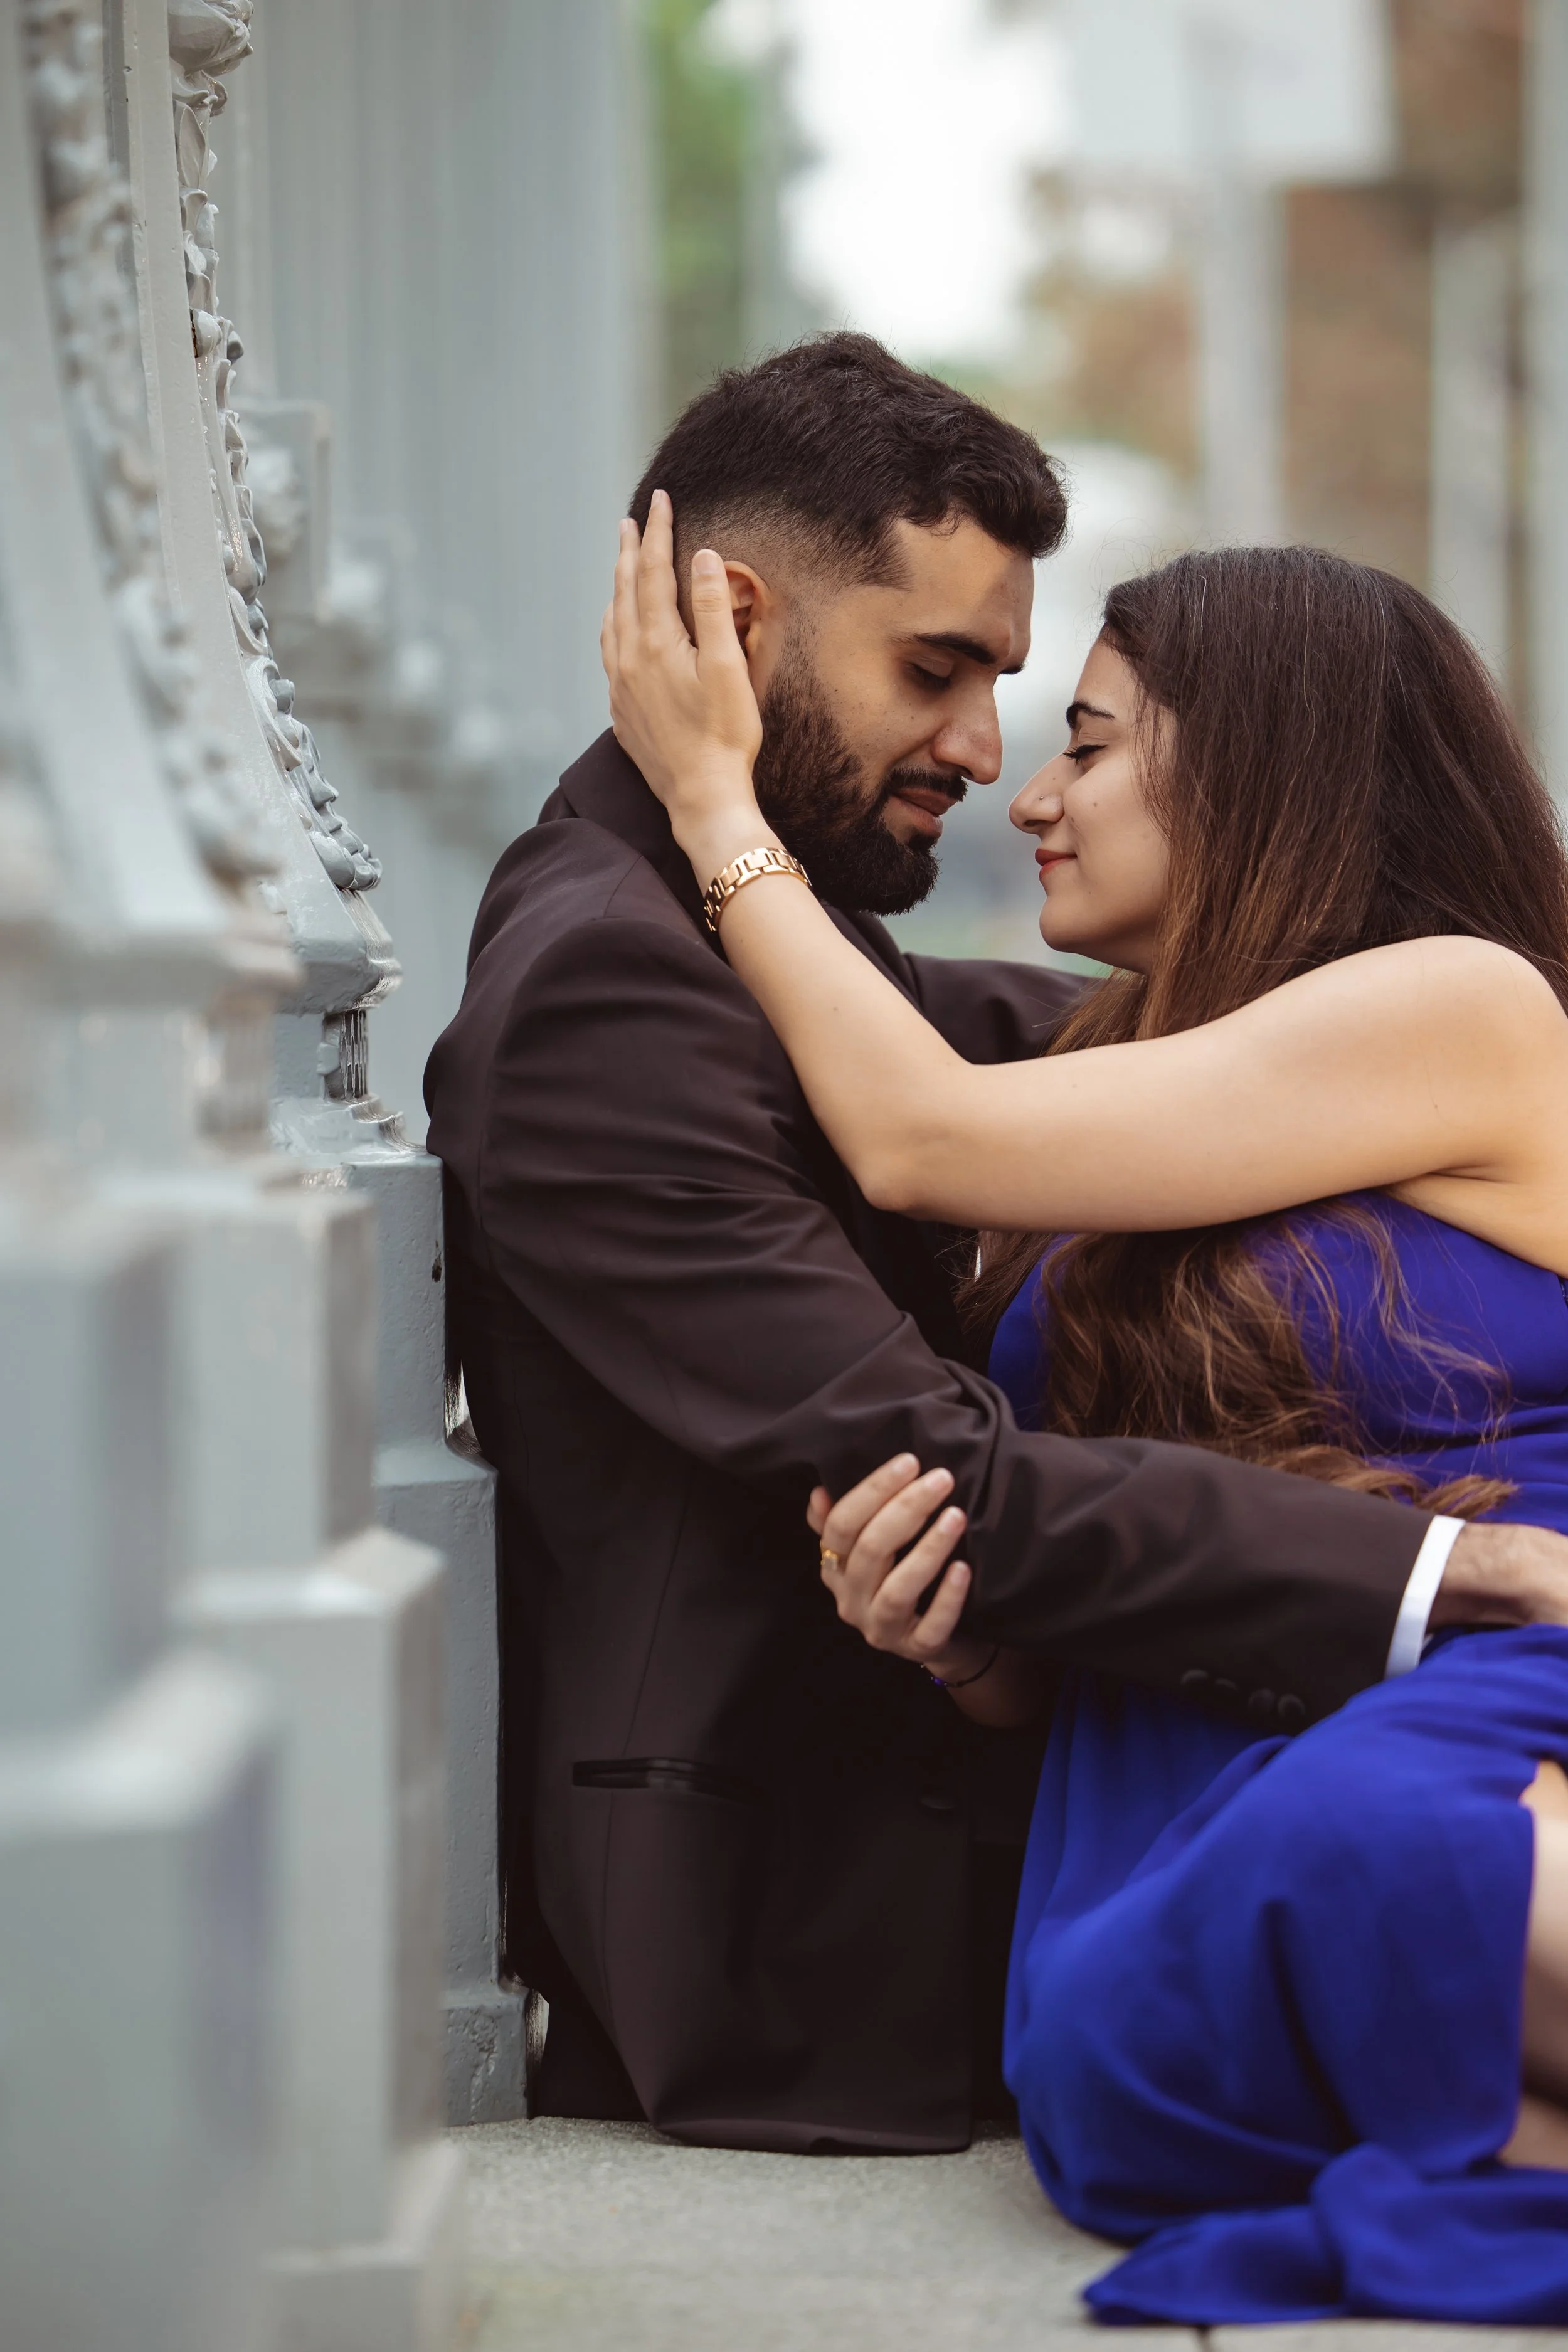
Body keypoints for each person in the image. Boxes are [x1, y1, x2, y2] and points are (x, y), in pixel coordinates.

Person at [425, 334, 1566, 2157]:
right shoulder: (610, 988)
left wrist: (724, 819)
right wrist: (966, 1643)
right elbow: (945, 1431)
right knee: (1164, 2043)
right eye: (937, 670)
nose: (1000, 764)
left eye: (1061, 725)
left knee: (1365, 1874)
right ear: (730, 628)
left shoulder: (1394, 1020)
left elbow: (923, 1116)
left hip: (1467, 1658)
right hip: (1155, 1755)